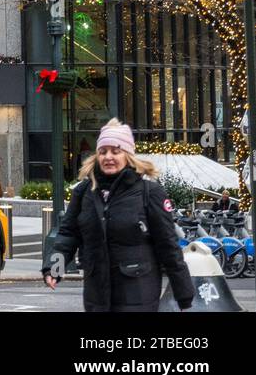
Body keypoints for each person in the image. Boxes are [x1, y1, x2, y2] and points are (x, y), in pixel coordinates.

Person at [44, 119, 194, 312]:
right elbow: (67, 234)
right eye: (103, 151)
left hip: (138, 292)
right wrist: (54, 268)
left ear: (128, 156)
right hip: (96, 292)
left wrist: (184, 295)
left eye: (116, 151)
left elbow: (168, 244)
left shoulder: (149, 192)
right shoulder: (84, 192)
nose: (108, 157)